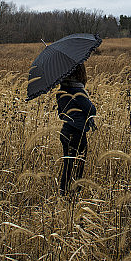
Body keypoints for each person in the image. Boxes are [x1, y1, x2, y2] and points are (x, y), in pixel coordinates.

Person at [56, 62, 96, 195]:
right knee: (77, 168)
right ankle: (73, 198)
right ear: (80, 73)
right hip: (77, 133)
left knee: (68, 166)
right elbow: (92, 110)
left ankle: (63, 195)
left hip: (66, 130)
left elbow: (60, 114)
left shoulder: (61, 90)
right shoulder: (77, 90)